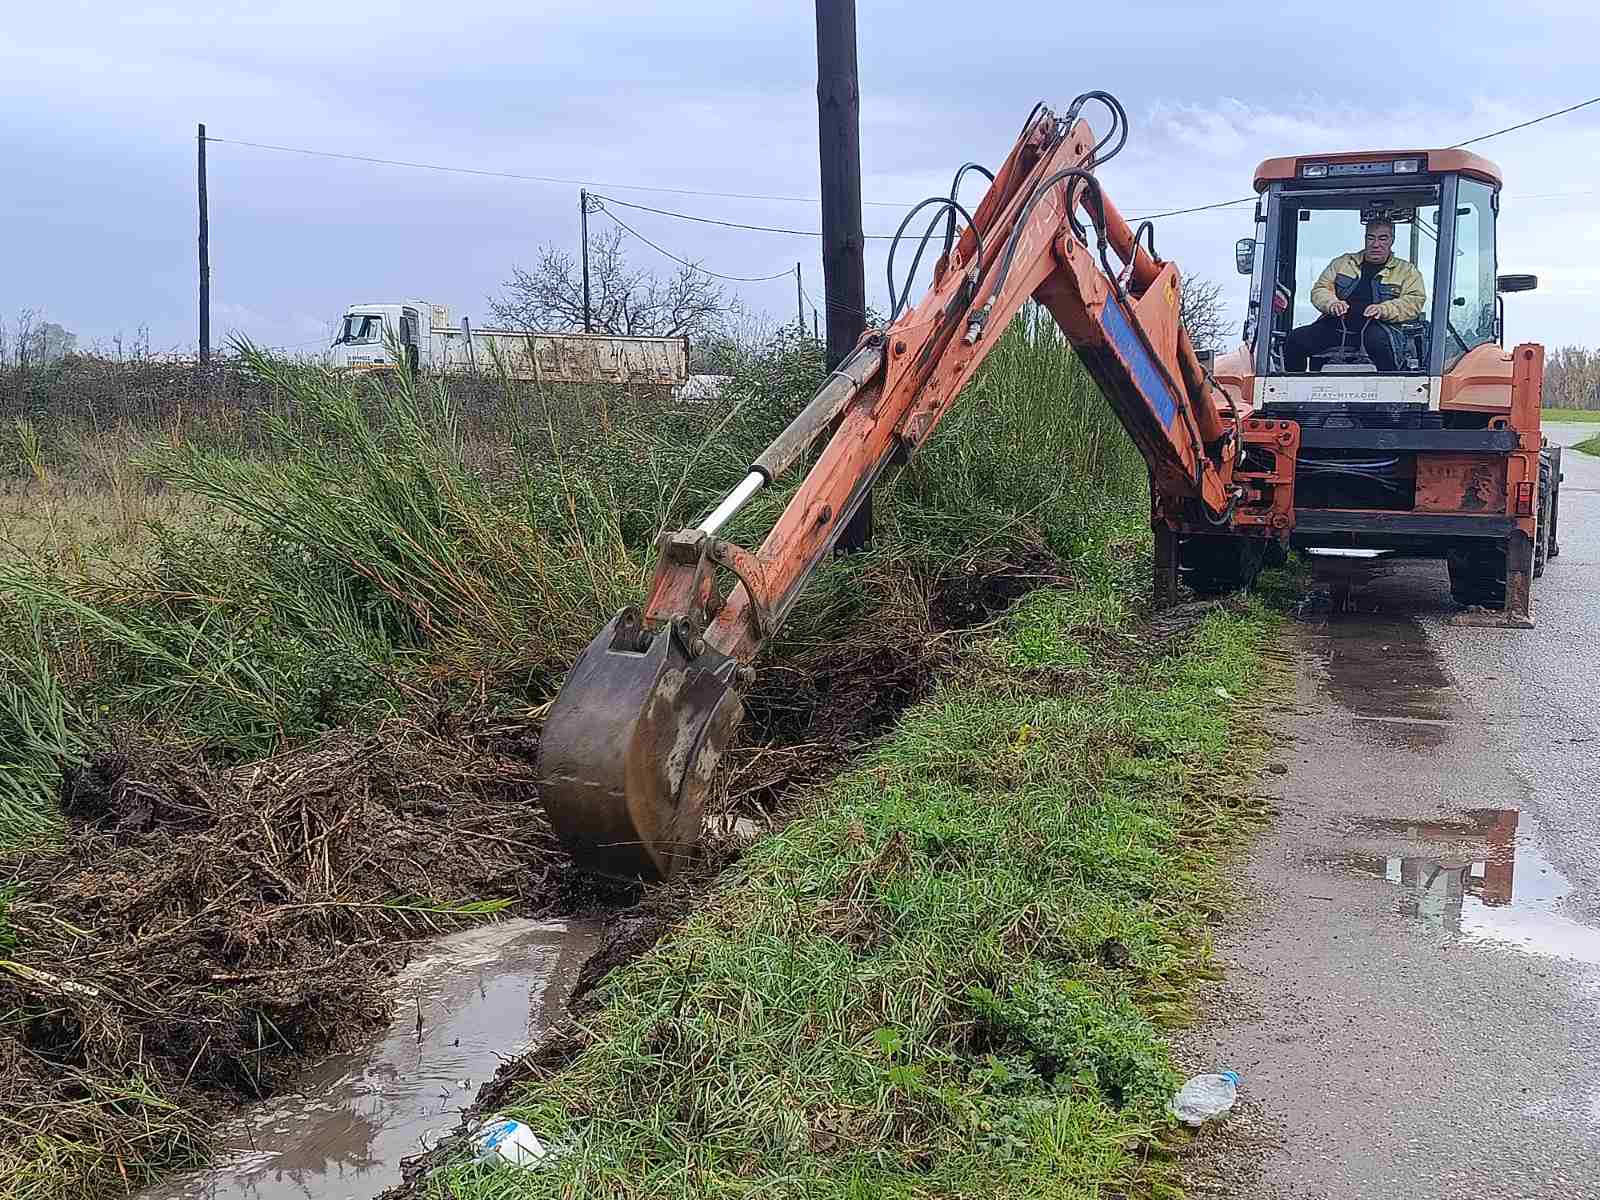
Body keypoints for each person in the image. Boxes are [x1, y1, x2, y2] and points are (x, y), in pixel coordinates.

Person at [1284, 221, 1427, 372]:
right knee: (1295, 339)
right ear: (1365, 239)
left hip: (1382, 330)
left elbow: (1414, 301)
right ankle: (1292, 388)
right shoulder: (1343, 263)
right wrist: (1332, 303)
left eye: (1383, 238)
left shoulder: (1407, 271)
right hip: (1338, 327)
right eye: (1371, 238)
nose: (1376, 244)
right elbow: (1320, 289)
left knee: (1377, 341)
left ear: (1392, 240)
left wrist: (1384, 309)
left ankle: (1392, 387)